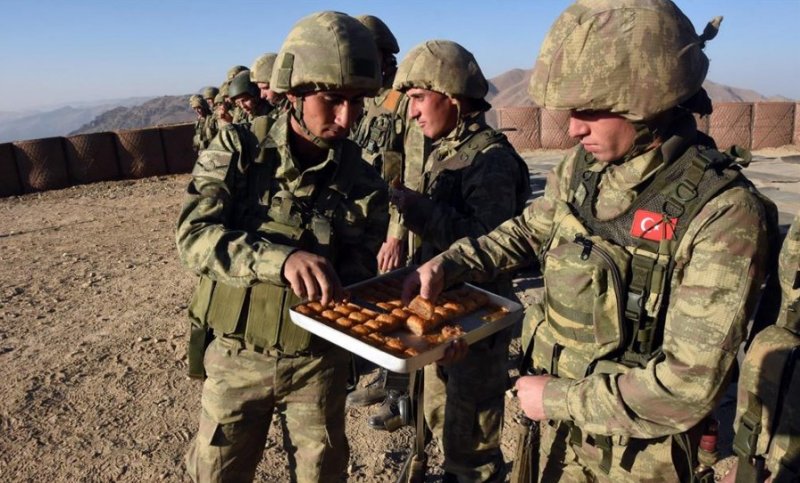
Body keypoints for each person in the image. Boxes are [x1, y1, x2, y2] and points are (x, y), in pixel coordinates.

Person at [403, 1, 777, 481]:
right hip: (557, 433)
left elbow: (689, 385)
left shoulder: (723, 213)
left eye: (591, 111)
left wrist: (555, 398)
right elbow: (528, 231)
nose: (574, 127)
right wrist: (449, 264)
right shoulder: (581, 170)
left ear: (650, 98)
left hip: (637, 458)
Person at [176, 11, 387, 482]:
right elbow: (193, 238)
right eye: (332, 100)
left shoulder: (364, 179)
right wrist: (280, 258)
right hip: (237, 359)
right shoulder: (237, 149)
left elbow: (359, 276)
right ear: (294, 94)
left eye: (357, 103)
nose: (346, 117)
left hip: (318, 363)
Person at [390, 39, 531, 483]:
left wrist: (419, 210)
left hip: (478, 318)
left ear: (450, 96)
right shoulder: (448, 149)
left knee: (470, 436)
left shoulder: (490, 160)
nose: (412, 112)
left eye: (417, 99)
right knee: (437, 410)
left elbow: (491, 246)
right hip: (442, 308)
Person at [345, 13, 430, 419]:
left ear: (381, 55)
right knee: (380, 304)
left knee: (404, 302)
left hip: (396, 224)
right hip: (369, 222)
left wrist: (396, 234)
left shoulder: (401, 100)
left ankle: (405, 397)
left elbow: (409, 173)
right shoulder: (365, 99)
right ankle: (386, 374)